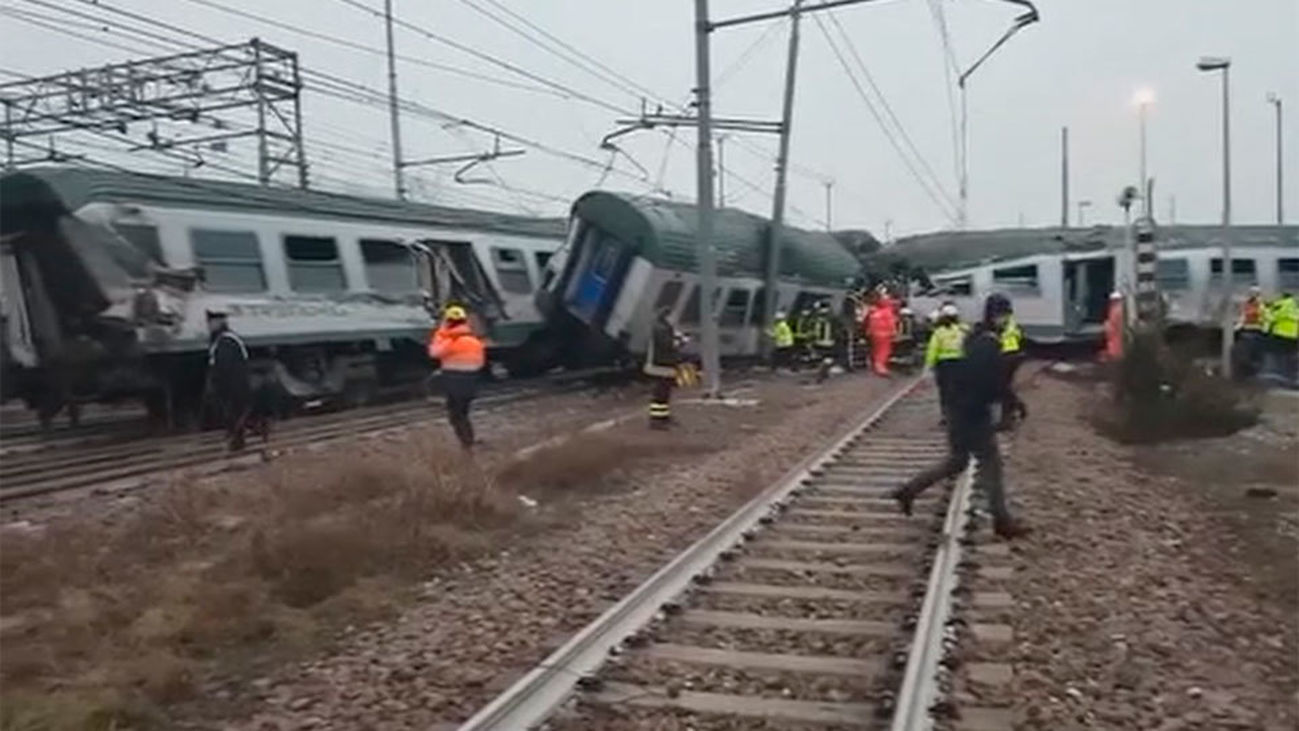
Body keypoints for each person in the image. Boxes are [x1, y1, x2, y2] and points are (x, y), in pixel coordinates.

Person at [890, 293, 1030, 540]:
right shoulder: (988, 344)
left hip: (958, 409)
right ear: (997, 315)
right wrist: (1013, 401)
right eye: (1004, 315)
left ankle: (908, 491)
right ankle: (1002, 521)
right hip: (973, 413)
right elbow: (992, 381)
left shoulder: (974, 337)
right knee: (991, 465)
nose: (1006, 320)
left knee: (957, 461)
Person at [428, 304, 485, 449]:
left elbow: (434, 353)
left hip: (453, 381)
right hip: (470, 381)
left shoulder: (450, 340)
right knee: (463, 413)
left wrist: (440, 333)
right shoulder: (474, 341)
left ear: (448, 322)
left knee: (455, 415)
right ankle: (468, 440)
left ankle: (467, 443)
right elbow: (480, 363)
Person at [205, 309, 252, 451]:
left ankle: (237, 442)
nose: (209, 325)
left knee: (233, 414)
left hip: (232, 384)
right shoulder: (225, 339)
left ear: (220, 322)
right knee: (233, 414)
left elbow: (224, 365)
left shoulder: (226, 341)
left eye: (212, 322)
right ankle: (236, 440)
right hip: (233, 383)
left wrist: (217, 383)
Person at [924, 302, 966, 423]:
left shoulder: (939, 332)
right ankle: (958, 414)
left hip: (944, 365)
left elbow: (933, 349)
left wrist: (929, 365)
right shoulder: (963, 330)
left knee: (945, 391)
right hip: (960, 363)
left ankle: (946, 415)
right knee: (959, 390)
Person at [644, 306, 682, 429]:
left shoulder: (664, 327)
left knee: (664, 392)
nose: (675, 319)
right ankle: (656, 420)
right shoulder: (661, 329)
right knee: (660, 393)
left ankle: (663, 416)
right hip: (661, 365)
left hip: (665, 364)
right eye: (673, 316)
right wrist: (681, 341)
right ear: (667, 316)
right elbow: (667, 345)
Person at [996, 308, 1028, 431]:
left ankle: (1007, 419)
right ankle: (1017, 407)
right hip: (1009, 356)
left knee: (1003, 387)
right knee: (1005, 387)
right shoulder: (1011, 325)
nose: (997, 319)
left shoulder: (1008, 326)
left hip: (1009, 357)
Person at [1265, 290, 1298, 383]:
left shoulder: (1281, 305)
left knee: (1279, 355)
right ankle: (1291, 375)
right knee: (1291, 356)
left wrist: (1267, 310)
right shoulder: (1295, 305)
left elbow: (1272, 318)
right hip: (1293, 335)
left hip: (1281, 335)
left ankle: (1281, 374)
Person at [1236, 286, 1267, 377]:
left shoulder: (1260, 305)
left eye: (1255, 293)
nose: (1253, 295)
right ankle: (1249, 372)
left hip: (1256, 331)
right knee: (1249, 354)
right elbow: (1243, 316)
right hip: (1249, 331)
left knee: (1254, 354)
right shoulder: (1248, 304)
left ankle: (1254, 372)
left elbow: (1263, 317)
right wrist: (1239, 326)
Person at [866, 293, 898, 376]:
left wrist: (869, 332)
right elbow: (891, 323)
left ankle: (875, 365)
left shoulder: (874, 312)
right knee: (884, 351)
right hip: (885, 335)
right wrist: (894, 332)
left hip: (874, 334)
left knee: (876, 350)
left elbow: (870, 323)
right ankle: (880, 367)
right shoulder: (887, 312)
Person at [1102, 291, 1124, 362]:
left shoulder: (1115, 310)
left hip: (1115, 334)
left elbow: (1113, 323)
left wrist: (1107, 325)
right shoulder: (1120, 308)